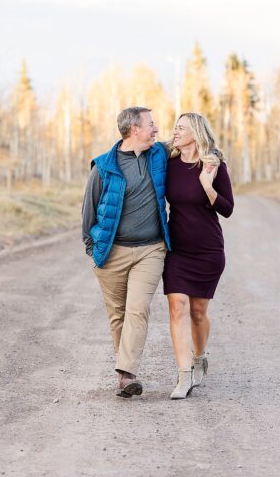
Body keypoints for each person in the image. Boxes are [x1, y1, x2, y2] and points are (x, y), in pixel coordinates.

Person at [82, 106, 171, 398]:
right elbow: (89, 211)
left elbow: (190, 144)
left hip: (150, 250)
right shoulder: (104, 166)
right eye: (151, 124)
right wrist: (93, 250)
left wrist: (216, 159)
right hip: (112, 253)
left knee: (137, 309)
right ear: (134, 129)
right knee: (118, 315)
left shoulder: (158, 155)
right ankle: (126, 374)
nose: (156, 130)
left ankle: (126, 374)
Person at [163, 112, 235, 400]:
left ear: (196, 133)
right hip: (177, 250)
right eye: (175, 128)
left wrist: (207, 185)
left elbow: (228, 209)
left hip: (207, 250)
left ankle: (199, 356)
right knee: (177, 307)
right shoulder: (167, 165)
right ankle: (184, 376)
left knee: (197, 313)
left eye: (181, 128)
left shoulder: (214, 166)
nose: (175, 132)